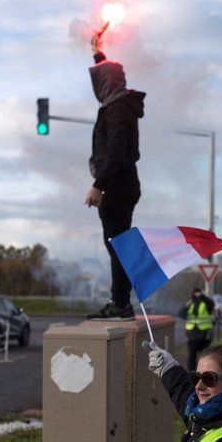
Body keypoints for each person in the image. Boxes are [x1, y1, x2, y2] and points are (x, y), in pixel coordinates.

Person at [85, 32, 146, 320]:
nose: (96, 88)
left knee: (118, 247)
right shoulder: (117, 103)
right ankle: (120, 301)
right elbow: (107, 75)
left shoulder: (118, 108)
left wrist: (99, 185)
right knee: (117, 246)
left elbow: (116, 150)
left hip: (117, 186)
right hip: (121, 184)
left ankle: (120, 303)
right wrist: (98, 52)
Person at [179, 288, 214, 370]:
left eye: (199, 294)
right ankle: (191, 374)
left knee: (205, 355)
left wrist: (203, 297)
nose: (197, 295)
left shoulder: (205, 303)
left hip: (204, 333)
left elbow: (211, 305)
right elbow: (181, 314)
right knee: (192, 354)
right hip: (192, 333)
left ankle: (204, 371)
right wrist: (186, 306)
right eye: (195, 294)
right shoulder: (190, 303)